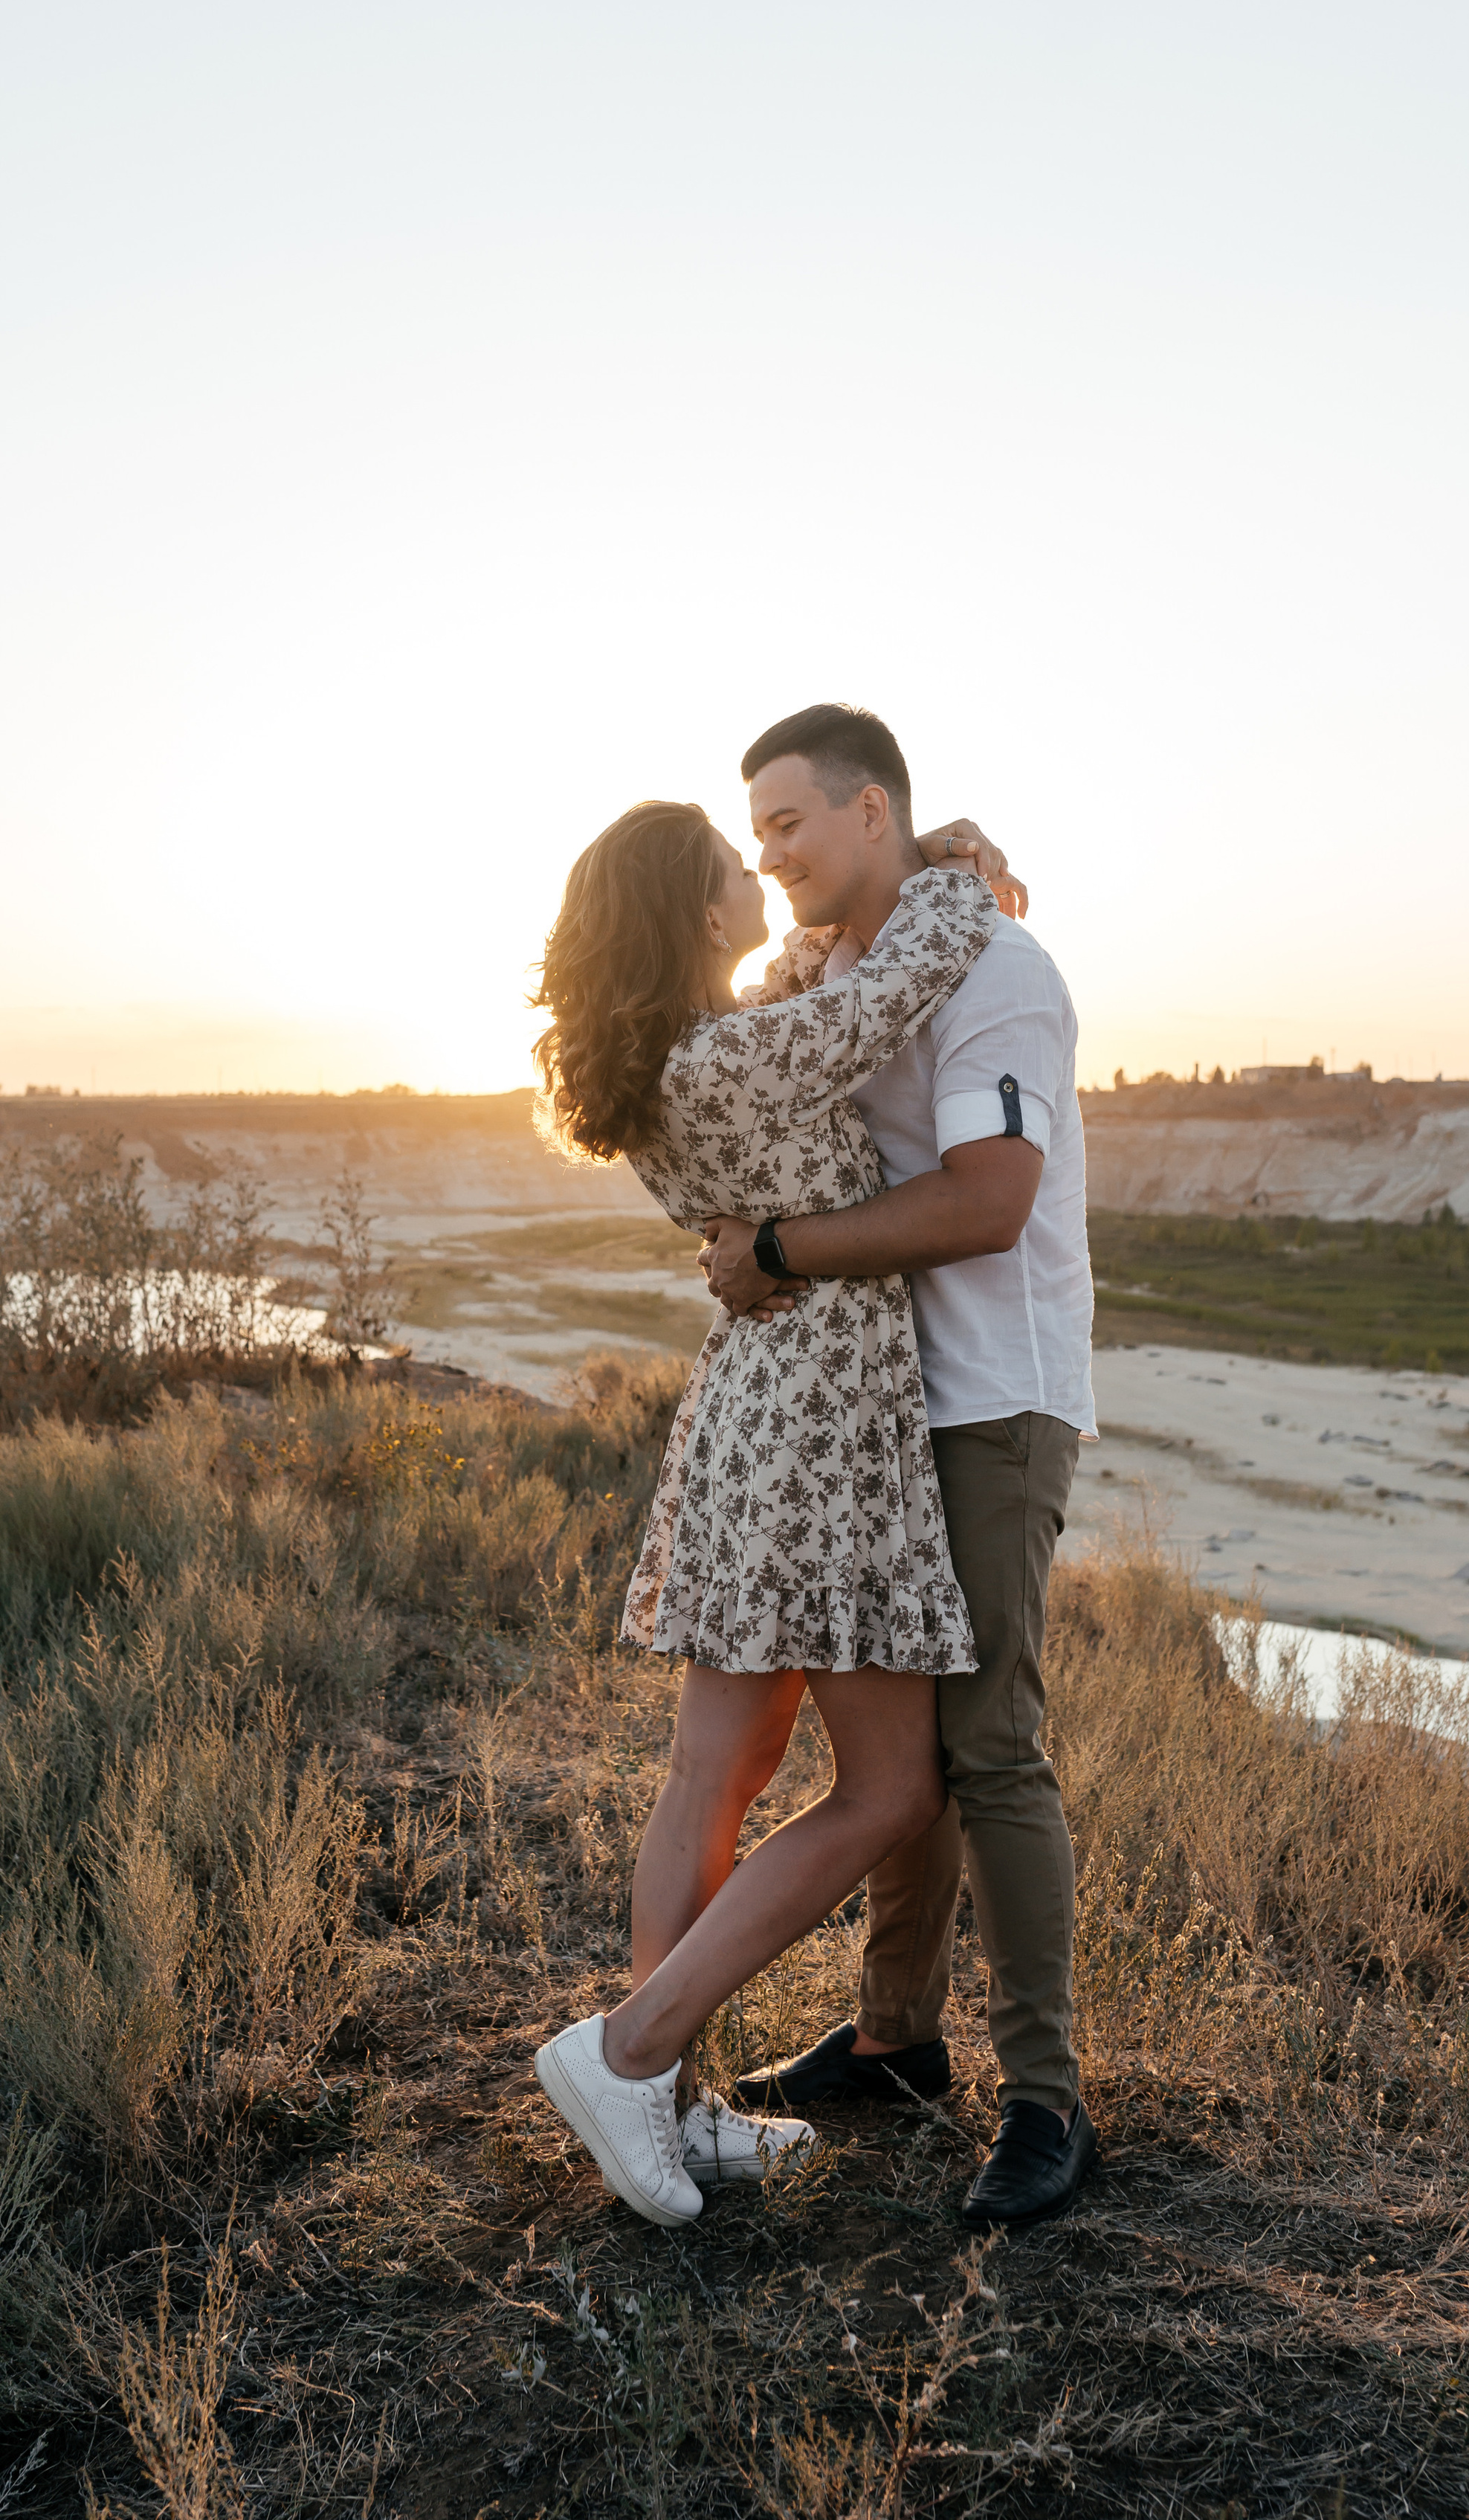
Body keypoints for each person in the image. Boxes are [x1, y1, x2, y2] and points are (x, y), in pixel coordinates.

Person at [528, 801, 1007, 2226]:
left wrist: (859, 904)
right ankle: (629, 2053)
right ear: (691, 907)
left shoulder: (690, 1056)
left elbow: (811, 980)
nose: (763, 874)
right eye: (737, 862)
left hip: (756, 1413)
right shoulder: (735, 1058)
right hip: (822, 1423)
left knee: (714, 1774)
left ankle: (667, 2111)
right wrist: (950, 873)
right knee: (890, 1790)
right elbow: (893, 987)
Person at [703, 703, 1100, 2231]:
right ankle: (893, 2042)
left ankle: (1048, 2106)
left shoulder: (993, 972)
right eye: (754, 837)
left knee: (988, 1744)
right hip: (877, 1408)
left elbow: (989, 1198)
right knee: (895, 1764)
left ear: (874, 810)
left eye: (791, 823)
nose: (772, 854)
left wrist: (779, 1252)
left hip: (992, 1399)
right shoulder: (836, 978)